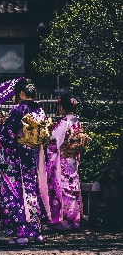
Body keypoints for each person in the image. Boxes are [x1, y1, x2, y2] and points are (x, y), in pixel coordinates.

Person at [0, 78, 50, 245]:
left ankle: (22, 234)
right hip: (32, 159)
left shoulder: (18, 110)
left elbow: (5, 137)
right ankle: (37, 232)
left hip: (16, 160)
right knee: (31, 193)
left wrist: (1, 125)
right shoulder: (41, 111)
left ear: (21, 93)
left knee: (13, 194)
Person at [46, 94, 84, 230]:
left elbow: (53, 143)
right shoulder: (77, 122)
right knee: (72, 188)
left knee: (60, 190)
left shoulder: (63, 123)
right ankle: (74, 220)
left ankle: (61, 221)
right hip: (72, 161)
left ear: (62, 108)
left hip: (61, 162)